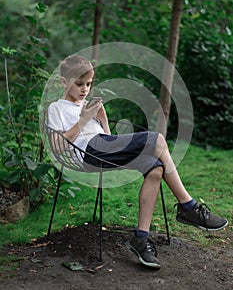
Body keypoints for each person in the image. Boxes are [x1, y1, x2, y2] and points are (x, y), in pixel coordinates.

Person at [47, 54, 228, 269]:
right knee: (157, 140)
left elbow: (106, 136)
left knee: (155, 167)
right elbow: (58, 147)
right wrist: (84, 120)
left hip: (102, 147)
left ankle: (140, 238)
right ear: (64, 82)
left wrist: (102, 120)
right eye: (79, 84)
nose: (85, 89)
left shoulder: (87, 104)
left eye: (88, 84)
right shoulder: (56, 108)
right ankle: (188, 206)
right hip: (86, 153)